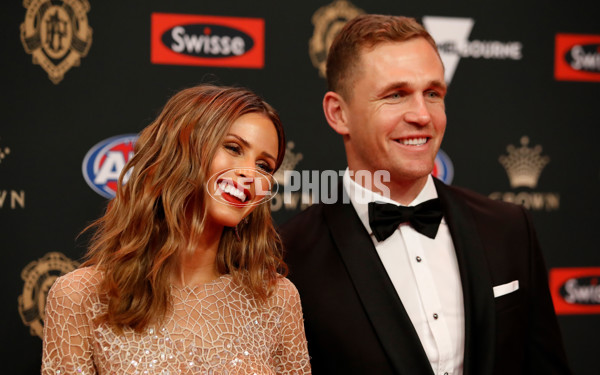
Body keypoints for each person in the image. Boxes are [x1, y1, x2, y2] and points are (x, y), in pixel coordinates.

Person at [280, 14, 571, 375]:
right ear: (339, 114)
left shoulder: (509, 228)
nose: (422, 115)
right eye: (396, 95)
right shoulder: (287, 258)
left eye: (433, 93)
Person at [42, 84, 311, 374]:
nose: (250, 174)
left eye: (264, 166)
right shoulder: (80, 297)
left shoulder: (277, 300)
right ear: (180, 149)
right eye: (233, 148)